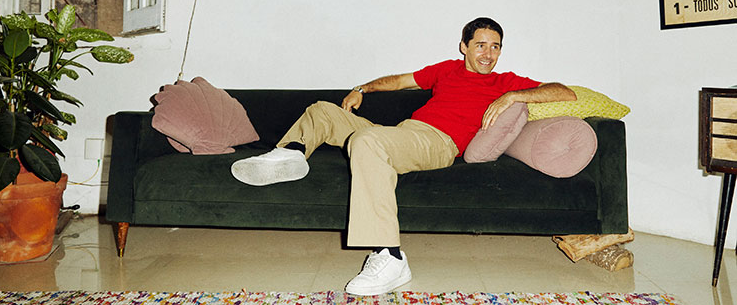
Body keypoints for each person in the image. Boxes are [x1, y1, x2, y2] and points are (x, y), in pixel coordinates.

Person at [230, 17, 576, 296]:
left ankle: (390, 256)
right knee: (323, 110)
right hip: (405, 132)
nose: (488, 54)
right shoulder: (446, 70)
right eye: (481, 45)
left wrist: (513, 96)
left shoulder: (505, 81)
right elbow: (399, 81)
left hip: (439, 143)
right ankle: (290, 154)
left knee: (368, 141)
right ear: (464, 47)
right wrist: (362, 88)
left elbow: (566, 93)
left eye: (495, 46)